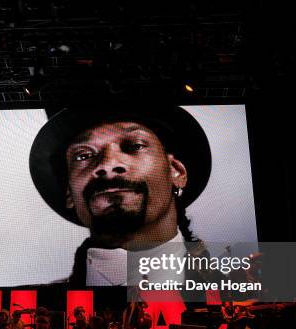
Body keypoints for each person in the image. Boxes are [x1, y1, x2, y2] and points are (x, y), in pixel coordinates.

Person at [29, 105, 212, 288]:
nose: (107, 164)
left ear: (176, 172)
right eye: (83, 155)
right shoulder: (34, 308)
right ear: (69, 192)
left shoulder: (233, 293)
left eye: (135, 146)